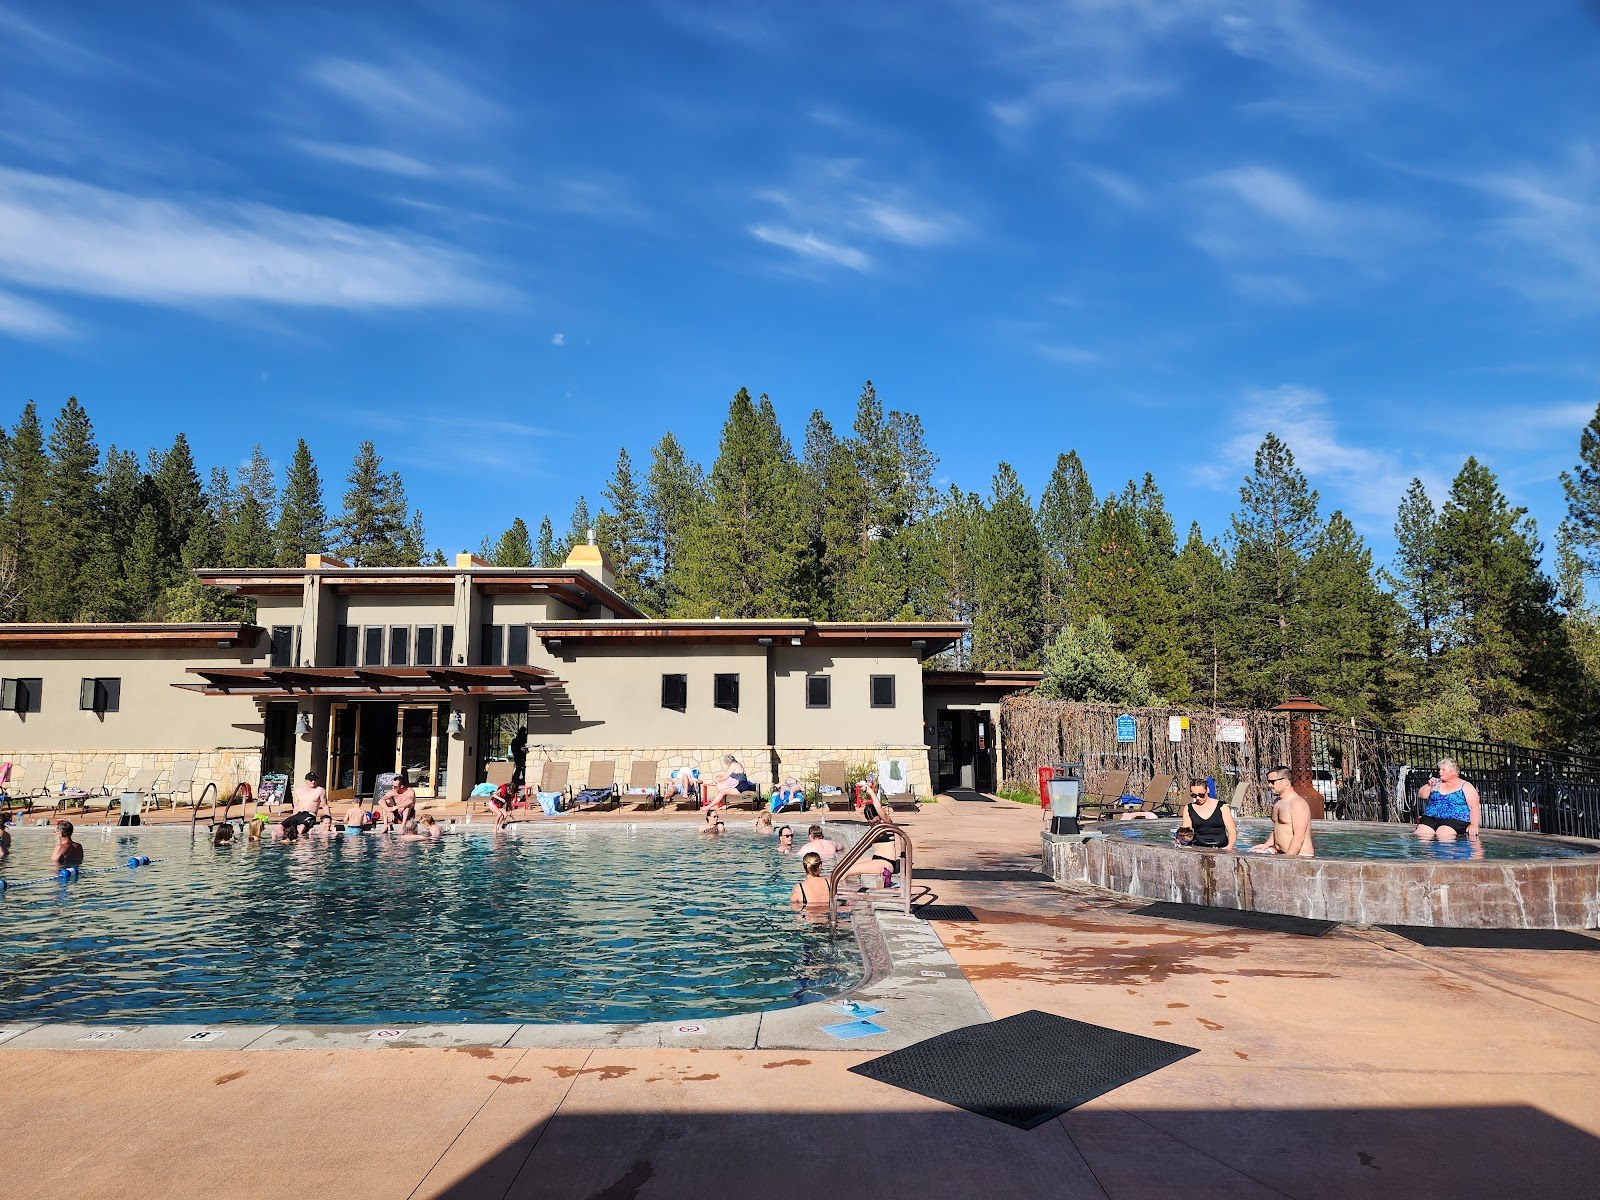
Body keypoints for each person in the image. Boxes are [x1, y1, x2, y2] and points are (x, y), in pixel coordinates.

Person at [1248, 765, 1314, 856]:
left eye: (1272, 782)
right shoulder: (1277, 802)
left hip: (1299, 856)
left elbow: (1299, 837)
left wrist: (1287, 858)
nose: (1269, 785)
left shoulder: (1297, 804)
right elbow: (1278, 827)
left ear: (1286, 782)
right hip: (1281, 853)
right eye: (1268, 782)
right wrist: (1266, 844)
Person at [1415, 759, 1481, 843]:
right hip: (1431, 817)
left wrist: (1474, 825)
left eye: (1443, 770)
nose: (1440, 772)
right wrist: (1429, 786)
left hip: (1455, 820)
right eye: (1439, 769)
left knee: (1443, 834)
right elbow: (1421, 795)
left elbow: (1474, 807)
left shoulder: (1465, 786)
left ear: (1453, 772)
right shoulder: (1436, 783)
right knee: (1421, 834)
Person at [1176, 781, 1237, 850]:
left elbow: (1232, 832)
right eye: (1194, 795)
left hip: (1220, 847)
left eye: (1201, 795)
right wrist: (1180, 838)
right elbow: (1187, 832)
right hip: (1198, 847)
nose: (1198, 798)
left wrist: (1229, 847)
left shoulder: (1222, 807)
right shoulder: (1189, 808)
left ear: (1207, 790)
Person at [284, 771, 328, 839]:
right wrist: (294, 818)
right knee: (279, 827)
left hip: (310, 815)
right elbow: (296, 805)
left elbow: (325, 805)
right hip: (298, 815)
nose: (313, 781)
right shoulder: (299, 790)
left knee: (301, 828)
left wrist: (328, 819)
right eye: (311, 780)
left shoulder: (320, 790)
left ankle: (298, 844)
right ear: (306, 781)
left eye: (315, 780)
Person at [510, 726, 529, 794]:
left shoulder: (516, 740)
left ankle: (516, 781)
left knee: (520, 769)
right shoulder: (520, 740)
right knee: (520, 769)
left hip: (519, 756)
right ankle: (516, 781)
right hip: (520, 756)